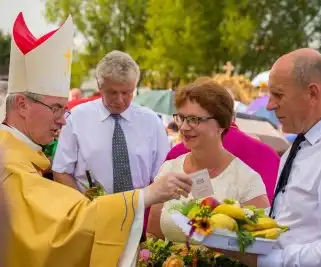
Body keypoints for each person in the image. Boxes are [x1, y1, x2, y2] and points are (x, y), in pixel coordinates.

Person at [0, 13, 192, 267]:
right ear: (22, 105)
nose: (63, 120)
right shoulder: (10, 166)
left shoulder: (19, 156)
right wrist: (146, 196)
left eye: (128, 92)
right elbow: (67, 225)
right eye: (56, 108)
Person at [223, 48, 321, 267]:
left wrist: (264, 260)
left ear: (312, 93)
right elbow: (296, 224)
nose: (269, 105)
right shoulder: (303, 145)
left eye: (278, 95)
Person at [147, 78, 269, 242]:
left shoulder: (247, 180)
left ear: (221, 124)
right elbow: (153, 235)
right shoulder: (169, 168)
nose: (183, 127)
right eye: (181, 118)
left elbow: (259, 246)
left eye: (194, 119)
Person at [53, 50, 169, 194]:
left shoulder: (151, 122)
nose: (120, 100)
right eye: (113, 92)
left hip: (141, 211)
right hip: (91, 212)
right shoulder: (77, 119)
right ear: (100, 87)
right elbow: (61, 171)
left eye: (127, 93)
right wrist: (83, 209)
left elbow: (163, 176)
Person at [166, 115, 280, 205]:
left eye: (194, 119)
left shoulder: (178, 151)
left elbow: (151, 227)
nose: (184, 127)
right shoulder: (268, 153)